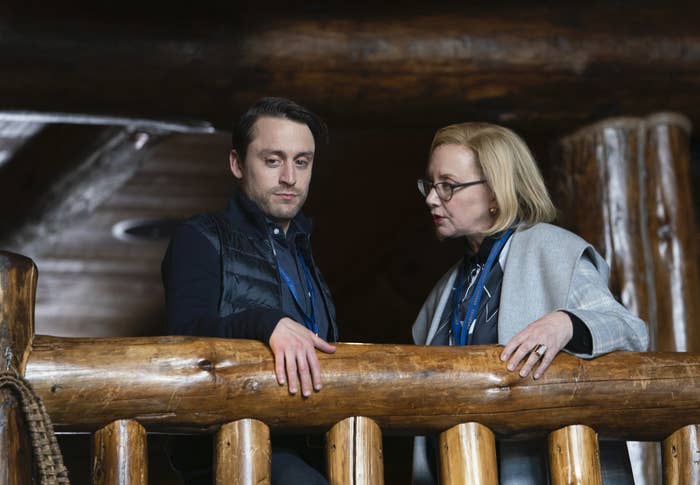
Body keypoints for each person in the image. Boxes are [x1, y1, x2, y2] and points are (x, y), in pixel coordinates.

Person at [411, 122, 649, 484]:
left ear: (495, 192)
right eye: (430, 185)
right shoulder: (444, 290)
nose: (432, 198)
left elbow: (632, 331)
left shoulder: (553, 250)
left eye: (448, 186)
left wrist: (565, 323)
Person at [162, 97, 338, 484]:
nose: (290, 177)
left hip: (307, 452)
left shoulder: (304, 251)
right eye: (273, 161)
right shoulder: (200, 237)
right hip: (231, 454)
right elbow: (182, 341)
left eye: (302, 161)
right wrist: (266, 322)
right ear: (237, 164)